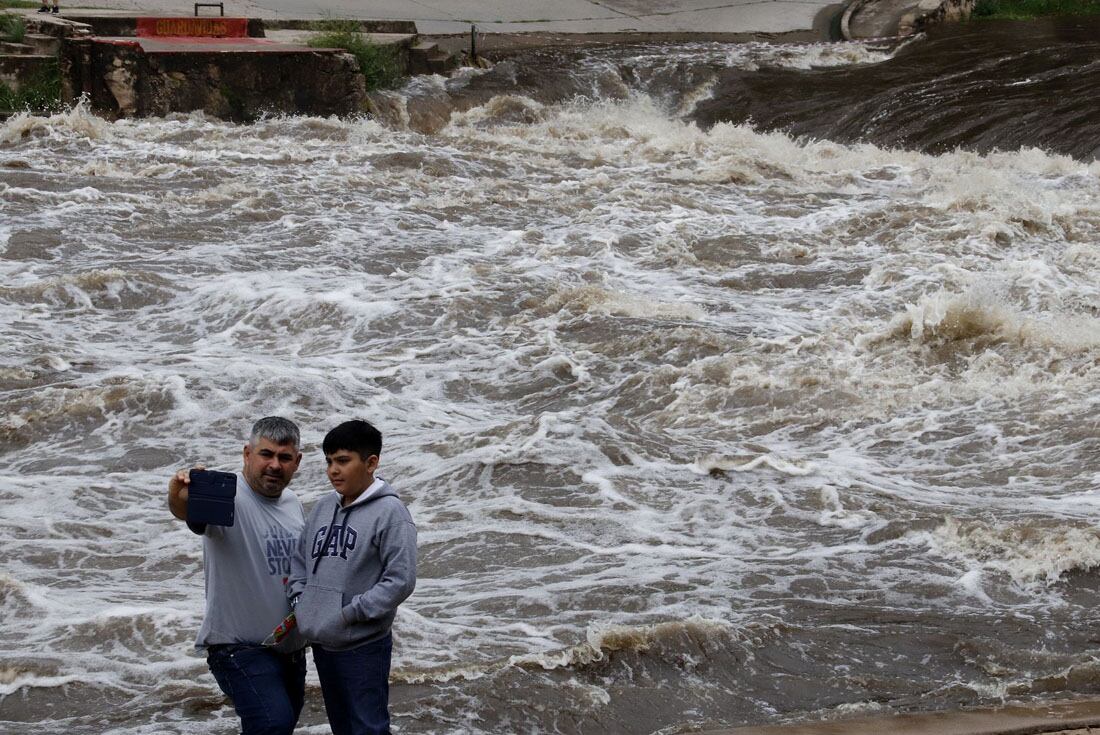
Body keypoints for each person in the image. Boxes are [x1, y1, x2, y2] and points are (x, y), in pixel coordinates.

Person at [167, 416, 307, 735]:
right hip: (238, 648)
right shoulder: (228, 497)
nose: (274, 465)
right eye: (266, 454)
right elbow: (187, 512)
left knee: (278, 727)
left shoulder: (293, 503)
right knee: (273, 724)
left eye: (284, 457)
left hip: (290, 651)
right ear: (247, 454)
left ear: (297, 462)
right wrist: (178, 493)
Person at [289, 419, 417, 735]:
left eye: (343, 461)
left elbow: (401, 579)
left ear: (371, 462)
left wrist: (351, 613)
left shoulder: (391, 513)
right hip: (322, 641)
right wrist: (301, 601)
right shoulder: (322, 507)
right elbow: (299, 559)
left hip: (363, 644)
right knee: (342, 726)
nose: (333, 470)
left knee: (368, 728)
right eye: (329, 461)